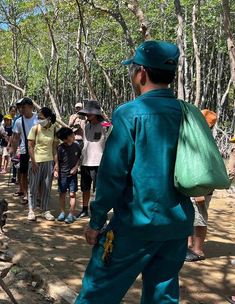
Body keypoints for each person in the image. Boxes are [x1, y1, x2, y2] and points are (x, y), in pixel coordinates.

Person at [75, 41, 194, 303]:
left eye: (132, 70)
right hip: (177, 226)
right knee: (162, 297)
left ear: (141, 73)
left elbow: (112, 176)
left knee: (98, 292)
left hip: (135, 225)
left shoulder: (129, 114)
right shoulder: (187, 113)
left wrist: (96, 222)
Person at [185, 109, 218, 262]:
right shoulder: (200, 138)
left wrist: (199, 192)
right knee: (191, 216)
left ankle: (198, 251)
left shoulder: (205, 141)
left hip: (201, 187)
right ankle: (189, 245)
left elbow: (205, 168)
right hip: (195, 185)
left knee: (199, 218)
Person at [26, 107, 58, 221]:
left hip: (49, 161)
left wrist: (56, 163)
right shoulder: (35, 129)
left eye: (41, 118)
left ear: (48, 118)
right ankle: (31, 210)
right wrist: (33, 162)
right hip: (36, 161)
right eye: (38, 118)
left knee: (47, 186)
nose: (39, 120)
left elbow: (54, 148)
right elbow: (30, 146)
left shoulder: (54, 130)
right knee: (33, 186)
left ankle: (45, 210)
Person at [76, 100, 106, 219]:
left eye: (90, 113)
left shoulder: (105, 126)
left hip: (99, 162)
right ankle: (84, 210)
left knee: (98, 189)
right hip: (85, 161)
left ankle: (97, 212)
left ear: (96, 113)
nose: (87, 115)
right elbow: (85, 143)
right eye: (86, 113)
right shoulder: (86, 126)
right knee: (85, 188)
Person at [10, 98, 38, 204]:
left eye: (23, 107)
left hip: (38, 151)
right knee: (23, 173)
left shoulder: (38, 118)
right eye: (20, 107)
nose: (21, 109)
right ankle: (27, 195)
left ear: (30, 107)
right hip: (24, 150)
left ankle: (38, 195)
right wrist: (13, 150)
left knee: (37, 173)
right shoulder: (18, 121)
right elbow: (16, 137)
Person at [55, 127, 81, 224]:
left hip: (73, 175)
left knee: (72, 194)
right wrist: (56, 171)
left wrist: (76, 167)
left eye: (72, 134)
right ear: (65, 139)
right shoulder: (60, 148)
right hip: (63, 175)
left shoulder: (76, 146)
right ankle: (62, 213)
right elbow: (57, 162)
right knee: (62, 193)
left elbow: (79, 158)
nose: (73, 136)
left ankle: (71, 214)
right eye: (70, 136)